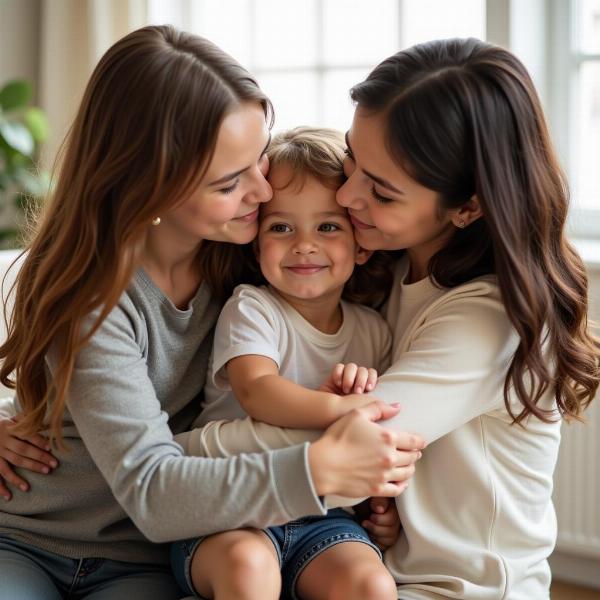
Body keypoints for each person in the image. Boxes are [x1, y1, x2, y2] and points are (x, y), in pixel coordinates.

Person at [140, 37, 600, 599]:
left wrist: (159, 459)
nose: (349, 195)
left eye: (380, 190)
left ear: (468, 207)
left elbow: (349, 445)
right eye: (355, 160)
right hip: (359, 552)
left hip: (449, 589)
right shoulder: (383, 274)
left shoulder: (488, 320)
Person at [0, 26, 424, 599]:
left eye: (259, 158)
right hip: (27, 537)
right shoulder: (94, 295)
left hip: (143, 556)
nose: (261, 189)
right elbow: (148, 482)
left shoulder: (250, 260)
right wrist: (321, 470)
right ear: (150, 187)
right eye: (230, 181)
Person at [171, 127, 400, 600]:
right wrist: (342, 411)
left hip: (323, 515)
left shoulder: (373, 330)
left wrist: (381, 502)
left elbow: (380, 438)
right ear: (257, 247)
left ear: (362, 244)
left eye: (328, 226)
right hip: (230, 506)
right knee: (248, 567)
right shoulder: (252, 308)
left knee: (371, 584)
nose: (304, 244)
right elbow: (257, 390)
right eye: (281, 227)